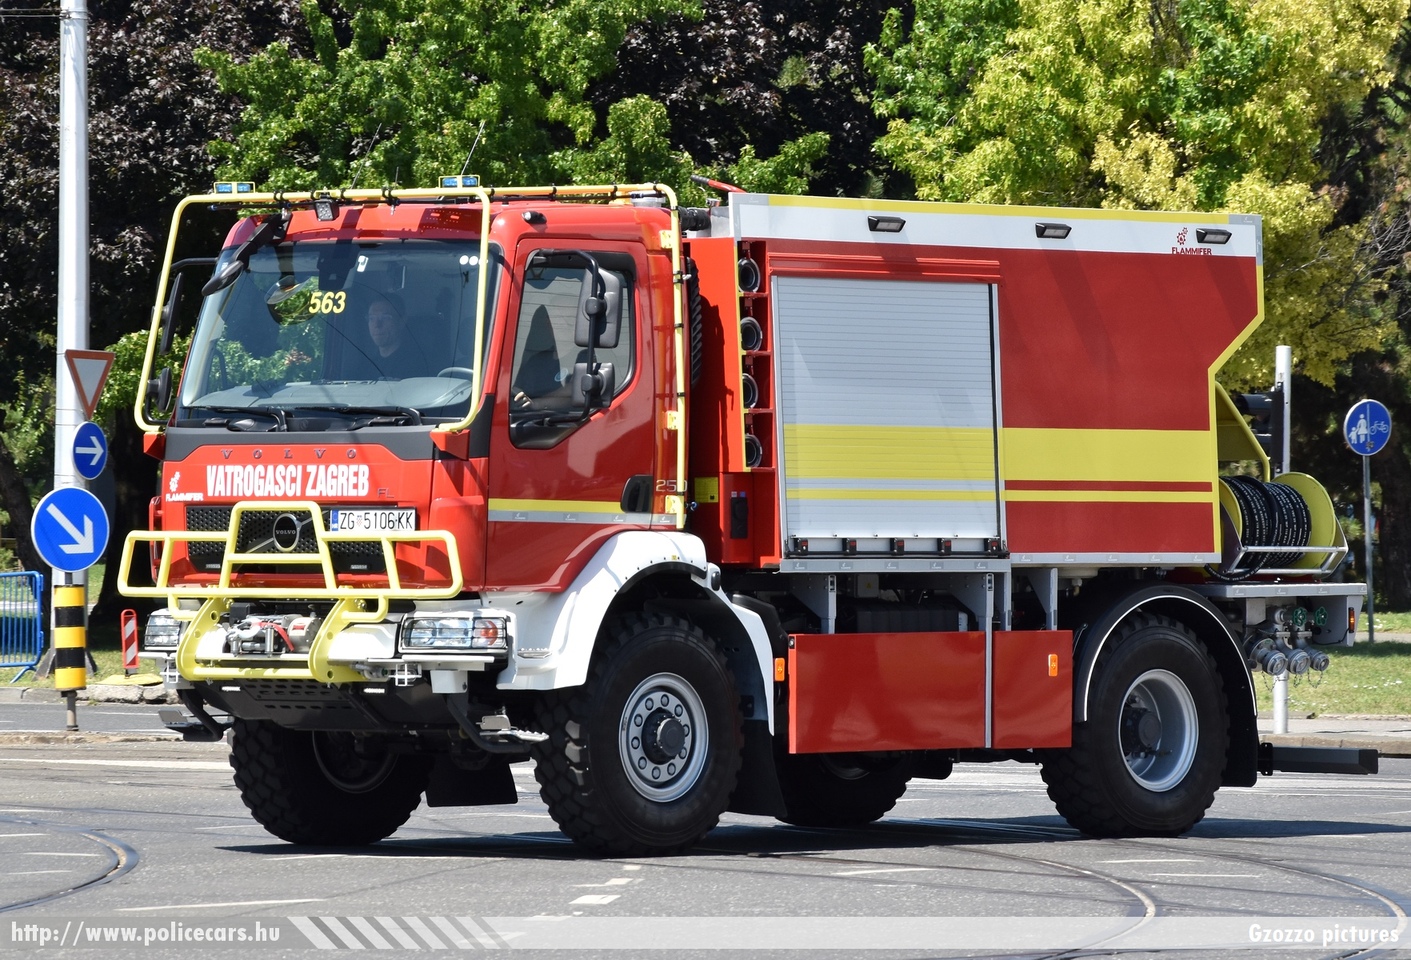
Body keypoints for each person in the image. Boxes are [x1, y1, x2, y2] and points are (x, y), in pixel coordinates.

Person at [363, 294, 423, 378]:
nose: (377, 325)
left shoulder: (417, 366)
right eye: (372, 318)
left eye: (385, 318)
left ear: (402, 321)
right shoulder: (366, 368)